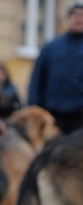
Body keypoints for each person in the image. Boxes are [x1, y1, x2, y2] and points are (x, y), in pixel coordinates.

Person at [28, 1, 83, 134]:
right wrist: (34, 107)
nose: (79, 19)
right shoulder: (51, 47)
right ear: (68, 18)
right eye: (75, 15)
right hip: (52, 117)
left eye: (82, 15)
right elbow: (37, 79)